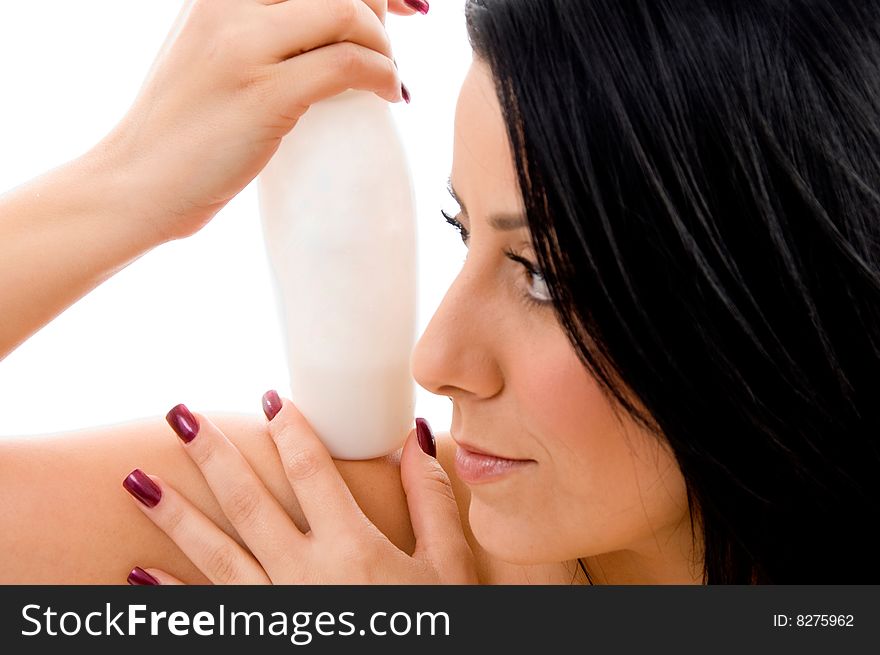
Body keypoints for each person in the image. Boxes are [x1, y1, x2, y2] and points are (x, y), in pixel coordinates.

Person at [1, 0, 878, 585]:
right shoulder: (363, 539)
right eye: (466, 231)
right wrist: (126, 183)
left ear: (773, 299)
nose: (437, 360)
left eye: (544, 278)